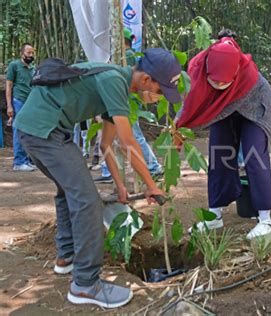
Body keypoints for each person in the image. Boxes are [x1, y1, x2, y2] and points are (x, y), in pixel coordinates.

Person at [13, 48, 182, 308]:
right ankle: (85, 284)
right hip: (44, 131)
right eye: (160, 92)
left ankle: (66, 257)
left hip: (41, 129)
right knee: (88, 201)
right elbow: (127, 144)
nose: (158, 99)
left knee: (68, 190)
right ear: (146, 79)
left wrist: (121, 186)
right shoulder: (114, 80)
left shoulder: (115, 84)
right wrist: (152, 186)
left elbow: (106, 144)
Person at [176, 37, 271, 240]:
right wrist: (177, 128)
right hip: (223, 107)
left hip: (256, 108)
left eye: (224, 81)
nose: (220, 83)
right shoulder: (196, 68)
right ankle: (214, 215)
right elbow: (190, 101)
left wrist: (188, 127)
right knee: (219, 154)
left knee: (254, 155)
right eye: (216, 80)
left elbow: (221, 108)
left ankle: (265, 219)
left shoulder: (248, 75)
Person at [95, 28, 162, 183]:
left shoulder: (128, 56)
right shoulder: (126, 56)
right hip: (120, 101)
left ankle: (152, 167)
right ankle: (109, 171)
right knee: (116, 136)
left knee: (132, 136)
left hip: (127, 103)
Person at [5, 43, 37, 171]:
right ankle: (18, 162)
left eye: (32, 53)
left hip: (30, 103)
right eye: (28, 53)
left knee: (29, 131)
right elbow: (9, 86)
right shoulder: (14, 65)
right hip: (19, 101)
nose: (31, 55)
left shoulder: (32, 68)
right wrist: (9, 106)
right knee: (19, 130)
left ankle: (27, 159)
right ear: (22, 53)